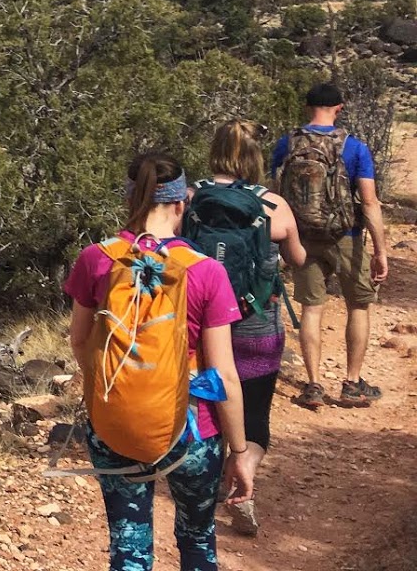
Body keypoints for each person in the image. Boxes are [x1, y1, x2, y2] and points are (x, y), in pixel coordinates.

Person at [66, 152, 252, 571]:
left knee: (129, 548)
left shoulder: (96, 259)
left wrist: (118, 392)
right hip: (192, 430)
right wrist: (239, 451)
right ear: (181, 203)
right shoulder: (205, 271)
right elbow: (223, 374)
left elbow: (80, 341)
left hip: (115, 425)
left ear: (131, 200)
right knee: (197, 539)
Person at [198, 121, 307, 537]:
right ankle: (244, 468)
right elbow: (297, 258)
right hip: (257, 323)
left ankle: (206, 491)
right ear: (255, 157)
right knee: (255, 411)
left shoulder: (192, 200)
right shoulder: (273, 205)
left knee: (211, 407)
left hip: (204, 326)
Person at [270, 82, 391, 409]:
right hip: (346, 238)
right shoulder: (354, 148)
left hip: (302, 238)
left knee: (312, 308)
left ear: (308, 107)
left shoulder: (286, 144)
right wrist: (380, 251)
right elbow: (369, 202)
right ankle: (351, 383)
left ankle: (313, 385)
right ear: (339, 107)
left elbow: (273, 193)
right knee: (358, 306)